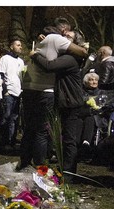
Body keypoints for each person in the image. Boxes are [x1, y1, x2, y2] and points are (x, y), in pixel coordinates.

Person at [30, 30, 86, 182]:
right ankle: (65, 170)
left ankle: (68, 174)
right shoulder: (66, 57)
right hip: (66, 102)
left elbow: (48, 65)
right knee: (64, 138)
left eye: (68, 38)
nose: (63, 39)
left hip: (70, 103)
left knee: (69, 139)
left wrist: (35, 54)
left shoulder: (69, 59)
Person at [0, 39, 25, 152]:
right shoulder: (5, 59)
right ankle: (2, 142)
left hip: (18, 93)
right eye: (18, 45)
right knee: (5, 117)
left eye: (21, 45)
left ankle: (11, 141)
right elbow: (1, 75)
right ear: (12, 46)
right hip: (9, 92)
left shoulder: (21, 61)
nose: (20, 47)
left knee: (14, 118)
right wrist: (4, 90)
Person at [94, 46, 114, 131]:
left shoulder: (106, 64)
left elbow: (103, 81)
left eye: (99, 52)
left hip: (105, 95)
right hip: (111, 94)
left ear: (103, 53)